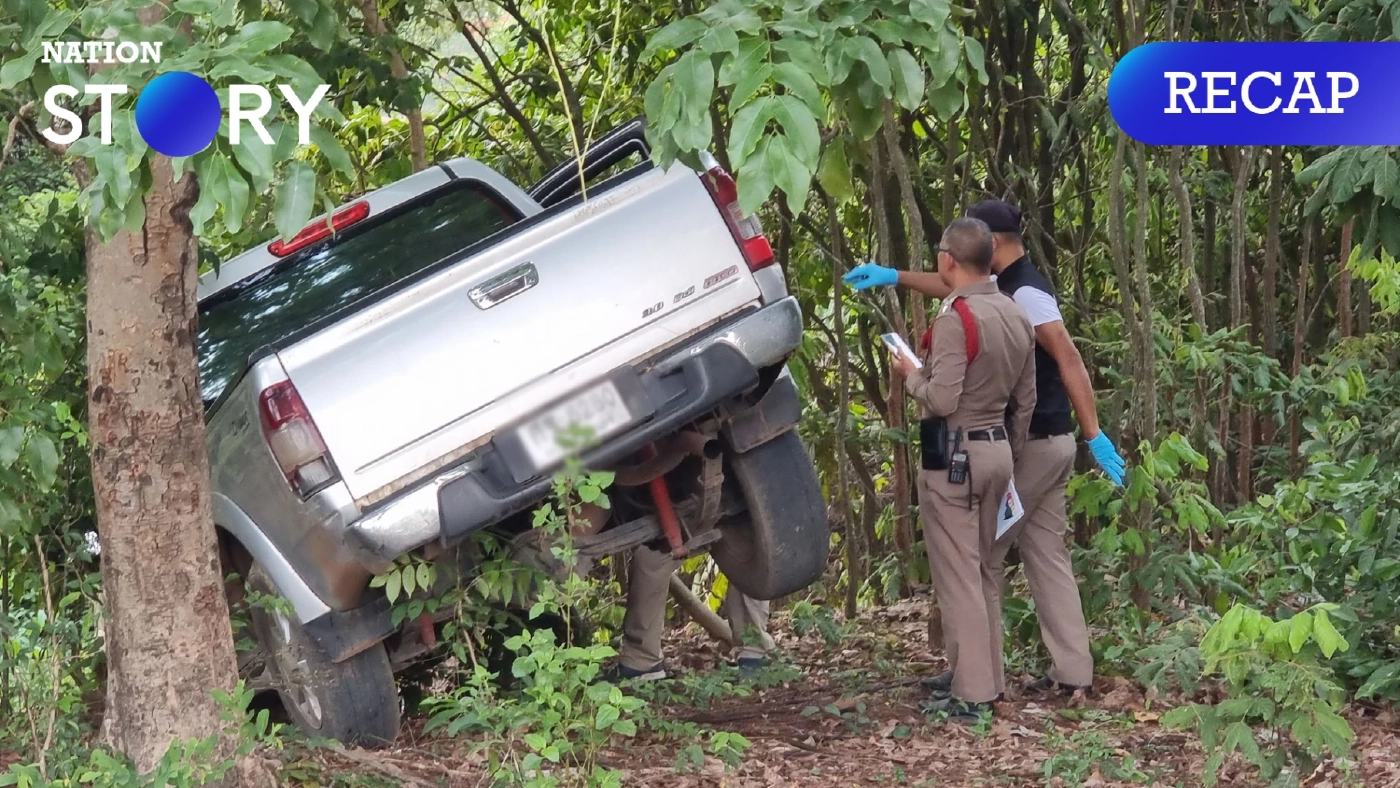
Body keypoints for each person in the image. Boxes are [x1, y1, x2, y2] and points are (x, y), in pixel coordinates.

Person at [844, 199, 1126, 697]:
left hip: (1035, 442)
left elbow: (1068, 357)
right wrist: (894, 276)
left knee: (979, 560)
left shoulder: (1028, 293)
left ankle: (977, 677)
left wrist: (1094, 433)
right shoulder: (1000, 288)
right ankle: (1073, 672)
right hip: (1045, 440)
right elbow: (956, 285)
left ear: (991, 243)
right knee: (1046, 553)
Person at [887, 216, 1037, 723]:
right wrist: (1009, 452)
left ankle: (972, 694)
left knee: (959, 576)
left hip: (955, 457)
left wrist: (911, 376)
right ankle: (986, 679)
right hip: (996, 451)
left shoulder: (959, 317)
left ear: (948, 260)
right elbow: (1026, 399)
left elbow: (943, 398)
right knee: (984, 571)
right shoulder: (1014, 311)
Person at [609, 544, 774, 681]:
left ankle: (754, 653)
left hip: (742, 522)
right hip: (689, 519)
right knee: (650, 556)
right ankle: (641, 661)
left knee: (751, 548)